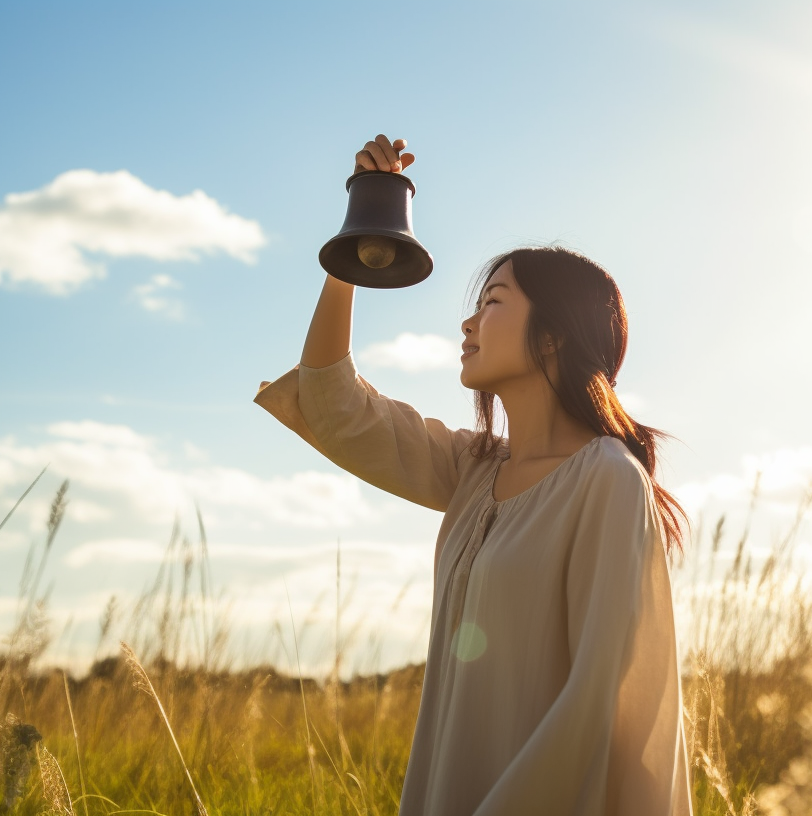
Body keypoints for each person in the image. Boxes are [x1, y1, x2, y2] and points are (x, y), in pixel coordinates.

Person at [253, 134, 694, 816]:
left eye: (492, 302)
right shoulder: (471, 471)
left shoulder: (606, 479)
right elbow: (333, 403)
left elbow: (596, 696)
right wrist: (357, 240)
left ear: (552, 335)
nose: (468, 322)